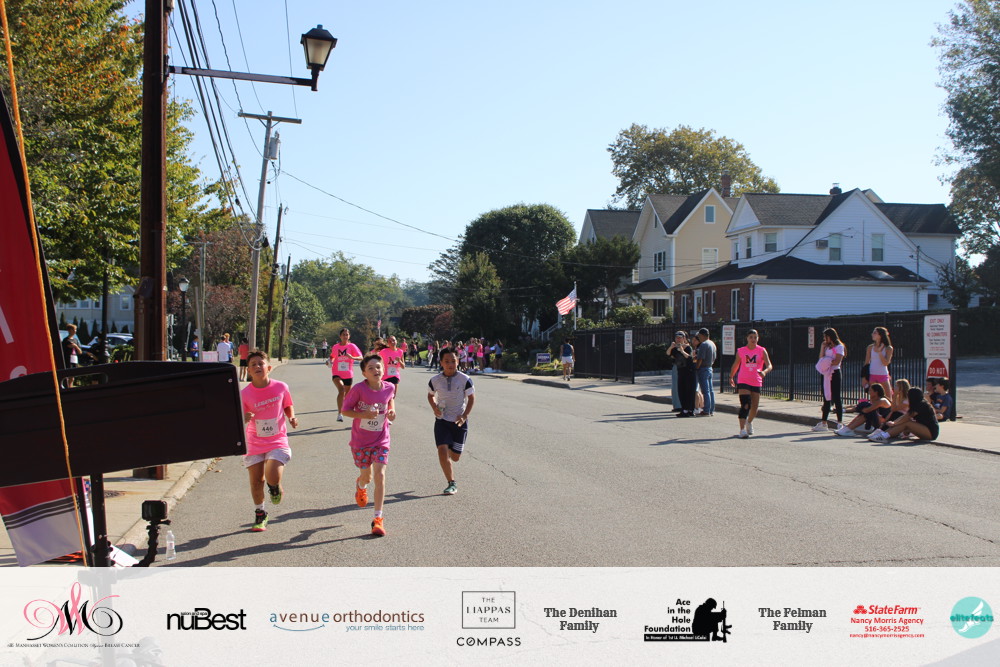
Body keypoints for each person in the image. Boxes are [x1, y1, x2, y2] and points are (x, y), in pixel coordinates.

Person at [240, 350, 298, 532]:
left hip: (277, 440)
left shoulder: (281, 387)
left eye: (261, 363)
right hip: (254, 441)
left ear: (269, 367)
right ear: (249, 370)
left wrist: (291, 417)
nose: (257, 366)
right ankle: (260, 514)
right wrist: (244, 417)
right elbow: (238, 416)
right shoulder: (244, 394)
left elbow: (288, 405)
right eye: (253, 364)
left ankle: (274, 487)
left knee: (272, 474)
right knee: (256, 481)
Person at [341, 354, 396, 536]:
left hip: (381, 439)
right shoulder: (358, 389)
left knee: (380, 475)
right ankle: (361, 485)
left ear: (383, 369)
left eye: (378, 367)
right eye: (370, 368)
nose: (375, 370)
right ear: (364, 373)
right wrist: (363, 415)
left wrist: (392, 410)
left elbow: (390, 399)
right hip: (361, 442)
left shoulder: (389, 387)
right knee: (368, 477)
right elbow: (345, 410)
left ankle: (378, 519)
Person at [428, 347, 475, 496]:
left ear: (458, 361)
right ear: (441, 362)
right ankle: (451, 483)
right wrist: (435, 407)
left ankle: (450, 450)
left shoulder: (465, 379)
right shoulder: (435, 380)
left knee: (455, 457)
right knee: (442, 451)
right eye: (447, 361)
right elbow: (430, 395)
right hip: (442, 420)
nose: (450, 364)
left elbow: (471, 398)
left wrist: (464, 415)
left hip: (459, 422)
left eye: (453, 361)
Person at [729, 329, 772, 439]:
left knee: (754, 407)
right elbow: (736, 364)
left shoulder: (762, 350)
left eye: (755, 337)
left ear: (758, 338)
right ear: (747, 338)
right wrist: (731, 376)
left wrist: (764, 372)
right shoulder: (741, 351)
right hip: (743, 380)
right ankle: (742, 430)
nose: (753, 339)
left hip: (756, 380)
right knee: (745, 405)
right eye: (751, 337)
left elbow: (769, 365)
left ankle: (749, 422)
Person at [868, 387, 939, 443]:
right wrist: (894, 422)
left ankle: (883, 436)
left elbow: (907, 417)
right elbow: (905, 416)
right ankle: (883, 434)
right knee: (903, 422)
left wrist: (894, 423)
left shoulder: (922, 405)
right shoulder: (917, 404)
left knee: (907, 423)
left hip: (931, 432)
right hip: (925, 429)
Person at [813, 328, 846, 432]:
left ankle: (840, 422)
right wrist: (822, 348)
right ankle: (824, 423)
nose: (824, 339)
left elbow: (837, 361)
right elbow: (821, 358)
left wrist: (827, 362)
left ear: (830, 336)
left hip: (834, 372)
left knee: (836, 397)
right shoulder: (827, 346)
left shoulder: (839, 347)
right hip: (826, 373)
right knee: (826, 397)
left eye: (825, 337)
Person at [327, 328, 364, 422]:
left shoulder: (352, 346)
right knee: (341, 390)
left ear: (349, 336)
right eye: (343, 334)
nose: (345, 336)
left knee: (347, 396)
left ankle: (344, 407)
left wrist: (352, 357)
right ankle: (340, 414)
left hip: (348, 374)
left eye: (347, 334)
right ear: (340, 336)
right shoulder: (335, 347)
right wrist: (329, 361)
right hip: (336, 373)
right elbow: (332, 356)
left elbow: (361, 357)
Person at [667, 331, 697, 417]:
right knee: (681, 391)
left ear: (684, 338)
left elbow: (690, 357)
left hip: (689, 371)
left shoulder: (688, 347)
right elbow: (668, 353)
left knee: (689, 391)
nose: (678, 339)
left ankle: (689, 410)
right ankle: (685, 409)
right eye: (677, 338)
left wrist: (682, 351)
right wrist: (671, 347)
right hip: (681, 371)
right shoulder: (675, 348)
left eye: (680, 338)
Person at [694, 328, 717, 417]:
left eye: (699, 336)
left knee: (705, 390)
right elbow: (714, 357)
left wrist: (697, 367)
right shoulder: (712, 343)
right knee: (711, 390)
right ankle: (711, 409)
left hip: (703, 368)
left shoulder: (704, 344)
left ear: (702, 335)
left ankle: (706, 410)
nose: (699, 338)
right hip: (710, 367)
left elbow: (700, 359)